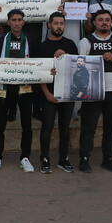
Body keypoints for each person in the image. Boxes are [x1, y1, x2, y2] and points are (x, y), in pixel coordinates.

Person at [77, 9, 112, 173]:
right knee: (88, 127)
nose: (104, 23)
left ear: (111, 22)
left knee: (111, 128)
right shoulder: (86, 42)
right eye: (100, 20)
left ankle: (108, 159)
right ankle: (84, 159)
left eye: (107, 20)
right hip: (92, 91)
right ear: (94, 23)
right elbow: (78, 66)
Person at [0, 10, 37, 173]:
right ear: (8, 22)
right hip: (4, 87)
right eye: (13, 20)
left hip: (25, 88)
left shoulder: (30, 39)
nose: (16, 23)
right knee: (0, 124)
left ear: (23, 22)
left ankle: (25, 157)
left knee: (26, 125)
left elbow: (38, 62)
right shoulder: (2, 40)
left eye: (19, 20)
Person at [36, 12, 78, 174]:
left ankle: (63, 158)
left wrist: (66, 58)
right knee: (47, 127)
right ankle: (45, 158)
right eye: (56, 23)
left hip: (68, 94)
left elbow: (77, 69)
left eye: (61, 23)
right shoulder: (42, 46)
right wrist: (47, 94)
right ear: (49, 25)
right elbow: (39, 74)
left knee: (65, 128)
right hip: (49, 95)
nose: (59, 26)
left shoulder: (71, 44)